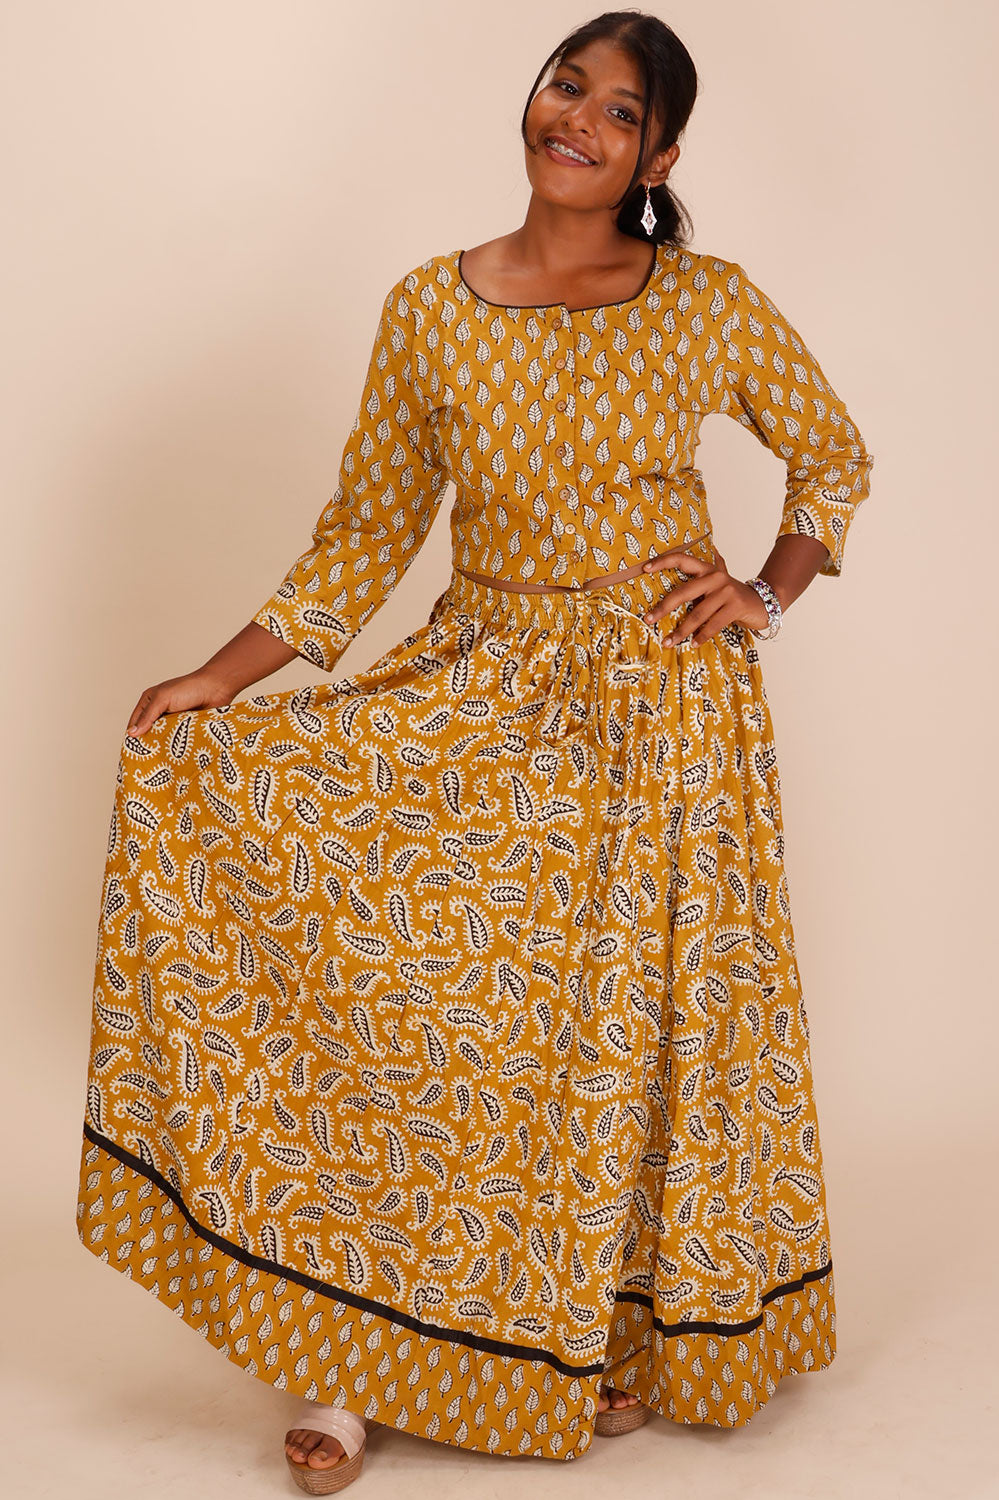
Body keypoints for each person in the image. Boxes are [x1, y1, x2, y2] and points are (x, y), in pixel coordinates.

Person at [75, 9, 874, 1491]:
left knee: (618, 1038)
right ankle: (348, 1359)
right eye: (567, 84)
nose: (580, 117)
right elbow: (366, 533)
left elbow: (832, 455)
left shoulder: (707, 301)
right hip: (485, 684)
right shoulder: (429, 308)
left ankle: (598, 1330)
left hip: (661, 710)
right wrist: (215, 679)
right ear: (531, 101)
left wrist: (765, 591)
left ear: (659, 158)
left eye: (621, 110)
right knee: (429, 1015)